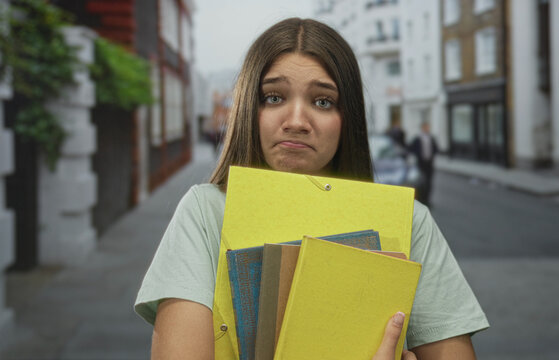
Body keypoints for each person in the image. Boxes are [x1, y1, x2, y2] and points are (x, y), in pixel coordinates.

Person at [135, 18, 488, 359]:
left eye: (322, 101)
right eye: (273, 97)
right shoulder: (205, 212)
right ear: (247, 109)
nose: (296, 122)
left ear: (347, 118)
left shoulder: (411, 223)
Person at [409, 121, 439, 206]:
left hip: (429, 163)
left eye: (428, 127)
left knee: (429, 182)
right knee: (421, 182)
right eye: (425, 127)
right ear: (422, 128)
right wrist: (417, 154)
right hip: (420, 164)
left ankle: (427, 200)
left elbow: (436, 148)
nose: (427, 129)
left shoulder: (431, 138)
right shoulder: (417, 138)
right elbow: (411, 148)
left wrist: (432, 155)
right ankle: (421, 200)